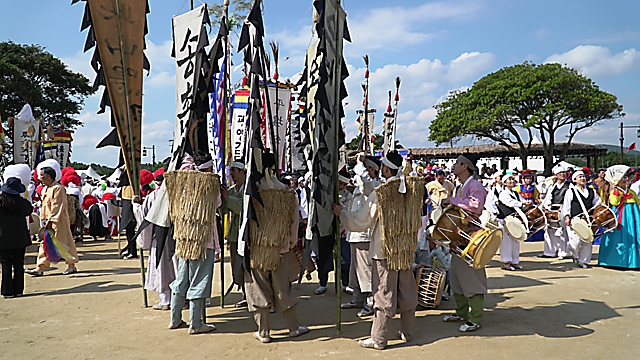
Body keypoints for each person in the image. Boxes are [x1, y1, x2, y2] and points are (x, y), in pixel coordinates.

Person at [334, 151, 418, 350]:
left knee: (383, 292)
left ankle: (379, 338)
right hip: (405, 248)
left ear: (386, 169)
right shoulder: (412, 188)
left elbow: (362, 220)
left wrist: (342, 214)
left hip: (385, 250)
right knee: (406, 290)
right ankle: (407, 331)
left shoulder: (383, 191)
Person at [243, 152, 309, 343]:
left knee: (258, 288)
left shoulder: (253, 191)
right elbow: (294, 221)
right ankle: (293, 328)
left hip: (257, 248)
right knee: (283, 288)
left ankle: (263, 332)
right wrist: (291, 241)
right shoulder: (287, 192)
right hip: (279, 247)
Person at [168, 151, 221, 334]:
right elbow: (218, 203)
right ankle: (196, 323)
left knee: (182, 279)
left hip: (184, 239)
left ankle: (175, 318)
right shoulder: (207, 185)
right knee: (199, 280)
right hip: (203, 240)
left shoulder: (181, 183)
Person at [441, 154, 488, 332]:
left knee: (471, 277)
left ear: (465, 166)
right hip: (458, 236)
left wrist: (452, 200)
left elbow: (476, 206)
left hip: (471, 237)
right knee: (457, 275)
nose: (453, 165)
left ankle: (475, 317)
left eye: (456, 163)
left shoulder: (475, 185)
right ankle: (461, 312)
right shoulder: (460, 186)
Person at [26, 166, 79, 276]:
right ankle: (40, 267)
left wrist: (51, 220)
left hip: (58, 221)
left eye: (41, 175)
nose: (39, 178)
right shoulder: (47, 188)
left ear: (48, 176)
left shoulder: (58, 188)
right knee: (45, 243)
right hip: (48, 220)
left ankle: (71, 265)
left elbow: (57, 205)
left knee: (64, 243)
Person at [341, 165, 375, 318]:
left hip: (363, 235)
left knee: (365, 271)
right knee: (354, 270)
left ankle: (370, 302)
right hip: (353, 234)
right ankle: (358, 298)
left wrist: (361, 164)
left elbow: (366, 183)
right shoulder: (357, 189)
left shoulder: (373, 186)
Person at [598, 167, 640, 269]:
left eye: (626, 177)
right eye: (623, 178)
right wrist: (616, 191)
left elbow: (638, 203)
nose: (625, 180)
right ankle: (615, 261)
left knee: (634, 236)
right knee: (617, 236)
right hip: (620, 217)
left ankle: (633, 261)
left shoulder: (632, 192)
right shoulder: (615, 192)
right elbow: (614, 202)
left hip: (633, 216)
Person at [219, 160, 248, 307]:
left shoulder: (249, 190)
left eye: (234, 172)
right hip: (235, 233)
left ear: (242, 171)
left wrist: (228, 199)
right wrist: (221, 198)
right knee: (237, 266)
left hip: (248, 233)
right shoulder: (231, 190)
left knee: (247, 265)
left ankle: (250, 294)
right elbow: (223, 210)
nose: (232, 175)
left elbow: (242, 208)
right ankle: (244, 292)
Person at [0, 178, 33, 298]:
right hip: (20, 238)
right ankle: (18, 289)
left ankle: (7, 291)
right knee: (19, 264)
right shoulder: (22, 203)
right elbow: (29, 210)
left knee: (6, 265)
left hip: (3, 238)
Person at [562, 170, 601, 269]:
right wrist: (567, 217)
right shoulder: (570, 191)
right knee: (575, 243)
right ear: (574, 180)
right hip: (574, 220)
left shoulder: (592, 191)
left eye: (583, 176)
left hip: (587, 220)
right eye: (580, 177)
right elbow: (566, 205)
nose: (582, 178)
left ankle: (583, 261)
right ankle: (575, 255)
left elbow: (597, 202)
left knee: (587, 240)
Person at [497, 174, 531, 271]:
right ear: (504, 183)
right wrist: (523, 203)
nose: (512, 181)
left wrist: (527, 203)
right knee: (506, 242)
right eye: (509, 180)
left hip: (515, 220)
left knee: (516, 240)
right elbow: (510, 202)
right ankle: (506, 262)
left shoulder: (516, 193)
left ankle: (514, 261)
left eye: (512, 179)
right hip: (506, 219)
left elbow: (522, 201)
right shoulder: (503, 193)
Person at [541, 166, 570, 259]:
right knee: (549, 231)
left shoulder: (569, 186)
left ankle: (563, 252)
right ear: (556, 175)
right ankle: (550, 252)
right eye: (560, 173)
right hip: (552, 211)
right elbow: (548, 199)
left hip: (563, 210)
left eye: (564, 172)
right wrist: (546, 208)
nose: (562, 174)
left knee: (563, 232)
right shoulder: (553, 187)